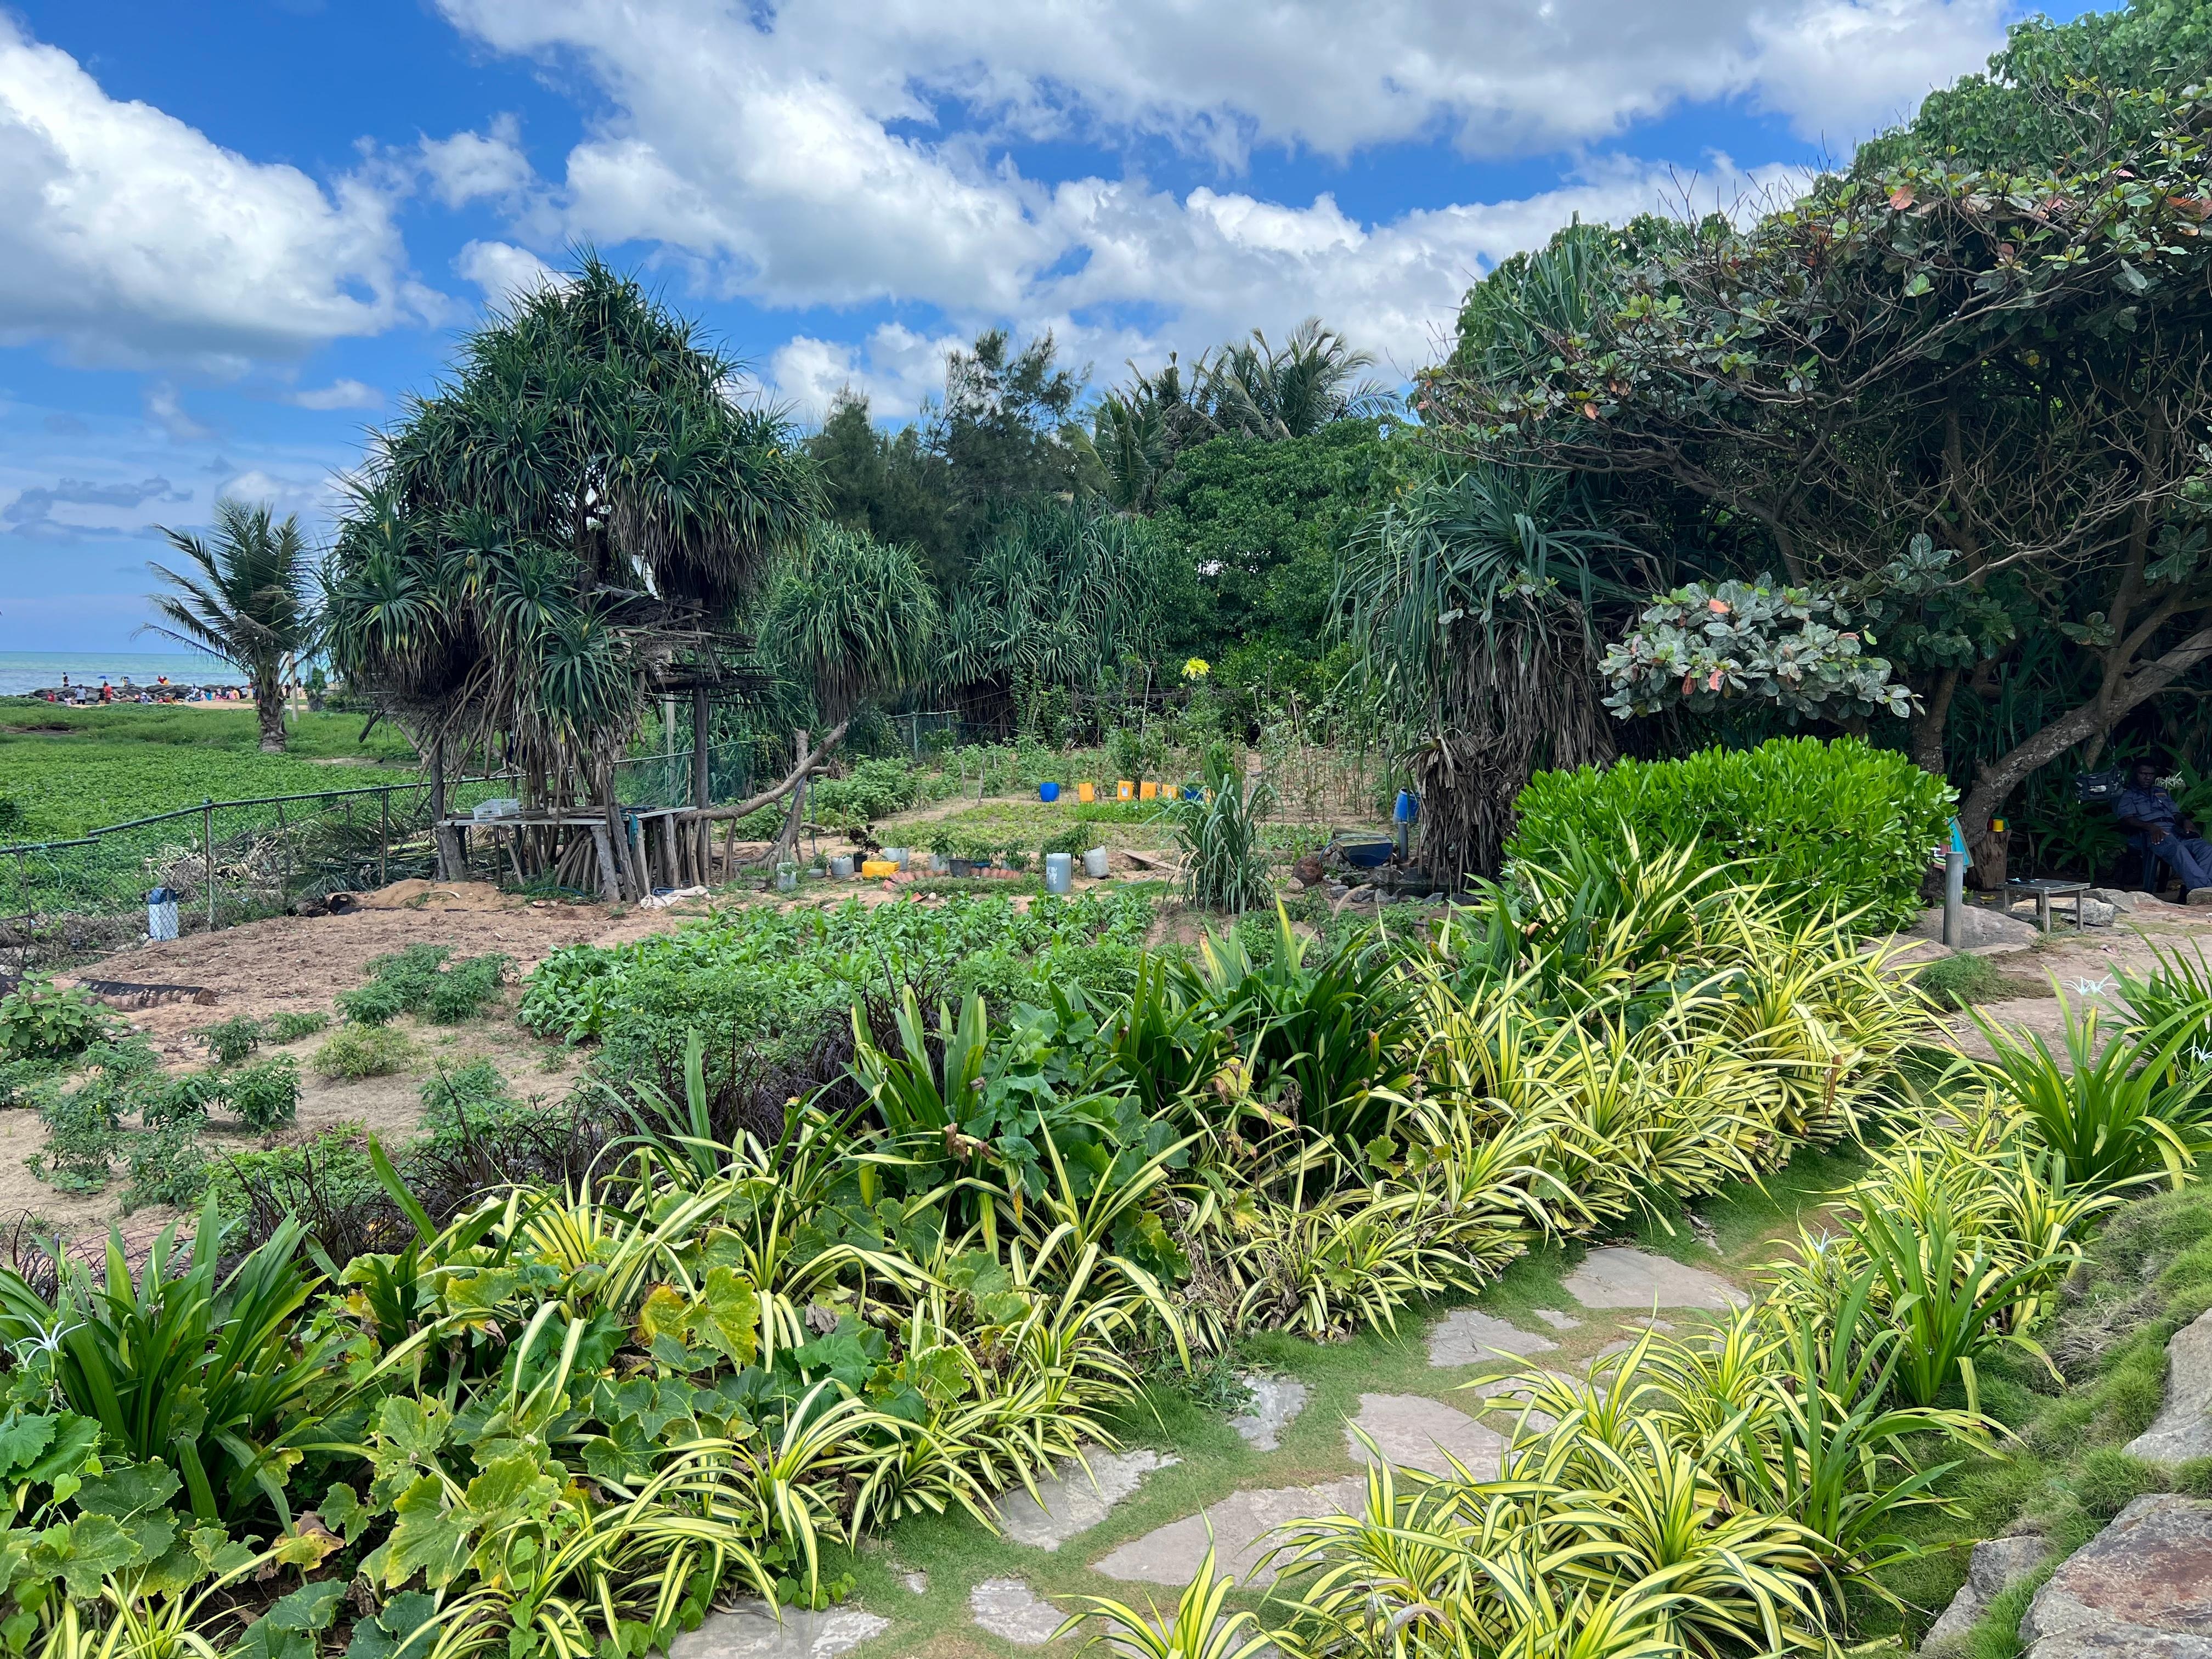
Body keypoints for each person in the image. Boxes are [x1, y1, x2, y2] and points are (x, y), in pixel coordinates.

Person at [2115, 760, 2212, 897]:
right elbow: (2127, 820)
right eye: (2143, 774)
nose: (2148, 778)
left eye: (2151, 774)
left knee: (2206, 848)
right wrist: (2151, 827)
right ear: (2135, 774)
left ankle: (2204, 889)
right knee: (2178, 849)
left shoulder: (2161, 792)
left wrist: (2186, 821)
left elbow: (2176, 814)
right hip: (2151, 835)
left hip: (2175, 831)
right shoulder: (2128, 795)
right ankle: (2202, 891)